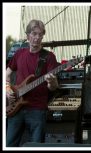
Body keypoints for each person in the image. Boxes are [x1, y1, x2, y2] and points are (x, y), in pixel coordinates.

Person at [6, 19, 59, 147]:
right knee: (9, 144)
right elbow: (6, 74)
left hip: (37, 110)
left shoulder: (49, 57)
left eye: (40, 34)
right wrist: (7, 90)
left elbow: (53, 87)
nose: (37, 37)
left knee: (36, 147)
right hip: (15, 108)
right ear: (27, 36)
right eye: (34, 34)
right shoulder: (19, 54)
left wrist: (52, 82)